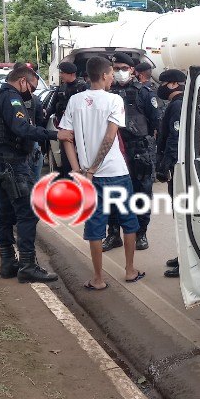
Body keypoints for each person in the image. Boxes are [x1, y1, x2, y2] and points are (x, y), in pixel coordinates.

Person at [0, 64, 73, 283]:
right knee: (28, 211)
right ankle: (28, 265)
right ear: (22, 81)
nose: (31, 92)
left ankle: (7, 262)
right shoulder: (11, 98)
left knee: (4, 212)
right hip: (11, 164)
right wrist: (55, 135)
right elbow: (21, 128)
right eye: (31, 87)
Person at [59, 56, 143, 289]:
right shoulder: (114, 100)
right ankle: (130, 270)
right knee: (128, 221)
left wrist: (79, 169)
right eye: (111, 74)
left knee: (95, 226)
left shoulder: (75, 100)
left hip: (89, 176)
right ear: (105, 75)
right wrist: (94, 167)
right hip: (116, 172)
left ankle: (98, 279)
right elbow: (110, 136)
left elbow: (65, 136)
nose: (113, 77)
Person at [102, 52, 157, 252]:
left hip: (138, 149)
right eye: (115, 69)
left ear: (132, 70)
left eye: (123, 68)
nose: (119, 72)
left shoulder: (144, 93)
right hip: (114, 149)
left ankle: (141, 233)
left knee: (141, 193)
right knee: (113, 192)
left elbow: (154, 124)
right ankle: (113, 234)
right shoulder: (107, 92)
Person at [154, 69, 186, 278]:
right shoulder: (183, 103)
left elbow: (174, 138)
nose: (161, 87)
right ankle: (183, 256)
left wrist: (166, 166)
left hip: (179, 167)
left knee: (182, 215)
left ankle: (186, 262)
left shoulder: (177, 106)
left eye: (164, 83)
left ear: (173, 84)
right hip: (182, 165)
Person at [51, 61, 87, 176]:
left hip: (80, 132)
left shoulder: (83, 87)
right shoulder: (61, 88)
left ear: (70, 74)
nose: (61, 75)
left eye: (62, 73)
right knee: (67, 163)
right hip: (66, 131)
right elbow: (52, 106)